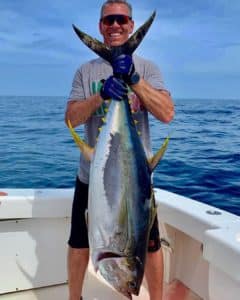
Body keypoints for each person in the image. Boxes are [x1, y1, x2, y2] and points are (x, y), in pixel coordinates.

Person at [65, 1, 174, 299]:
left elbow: (166, 113)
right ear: (101, 26)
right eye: (109, 20)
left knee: (150, 244)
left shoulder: (149, 69)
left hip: (137, 179)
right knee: (78, 243)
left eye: (121, 20)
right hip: (92, 177)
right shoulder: (85, 72)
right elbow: (71, 119)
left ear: (130, 23)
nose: (115, 25)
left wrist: (134, 80)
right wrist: (101, 94)